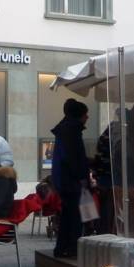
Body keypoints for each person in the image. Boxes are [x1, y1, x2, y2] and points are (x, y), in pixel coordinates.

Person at [51, 98, 91, 258]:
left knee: (68, 215)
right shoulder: (72, 131)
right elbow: (73, 158)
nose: (87, 117)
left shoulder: (65, 130)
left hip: (64, 181)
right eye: (85, 114)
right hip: (72, 182)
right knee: (75, 216)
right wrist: (82, 177)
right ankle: (72, 248)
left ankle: (62, 247)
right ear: (79, 115)